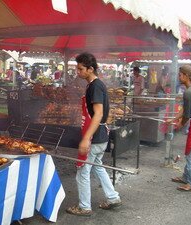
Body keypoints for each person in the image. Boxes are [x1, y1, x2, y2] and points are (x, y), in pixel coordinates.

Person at [66, 52, 121, 216]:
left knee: (82, 172)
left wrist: (85, 139)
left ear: (90, 69)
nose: (78, 72)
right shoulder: (93, 85)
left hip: (95, 137)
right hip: (101, 135)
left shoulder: (96, 86)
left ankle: (84, 207)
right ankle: (113, 197)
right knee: (98, 167)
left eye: (80, 69)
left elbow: (98, 113)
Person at [169, 65, 191, 192]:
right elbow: (184, 108)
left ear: (186, 76)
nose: (179, 76)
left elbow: (187, 115)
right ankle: (186, 177)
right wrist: (174, 119)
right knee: (190, 153)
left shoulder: (189, 92)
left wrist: (179, 124)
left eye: (180, 74)